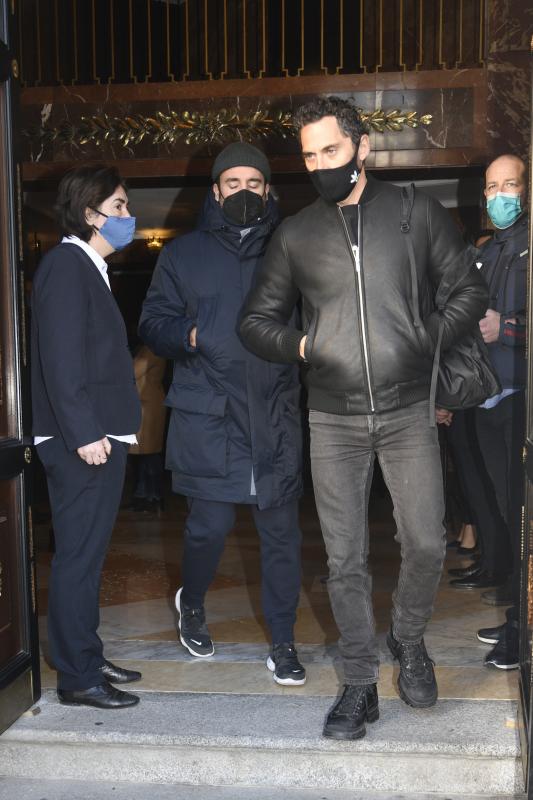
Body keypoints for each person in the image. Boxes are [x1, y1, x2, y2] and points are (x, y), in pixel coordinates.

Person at [240, 96, 488, 738]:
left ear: (363, 148)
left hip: (408, 412)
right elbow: (254, 322)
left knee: (428, 542)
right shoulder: (295, 234)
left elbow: (469, 289)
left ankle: (408, 640)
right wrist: (303, 345)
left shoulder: (416, 214)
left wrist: (426, 334)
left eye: (332, 151)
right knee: (344, 559)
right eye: (310, 155)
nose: (321, 165)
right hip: (333, 419)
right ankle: (357, 683)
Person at [139, 143, 306, 686]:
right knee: (207, 528)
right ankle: (192, 604)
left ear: (267, 190)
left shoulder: (291, 247)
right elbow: (153, 323)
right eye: (231, 182)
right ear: (215, 191)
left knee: (280, 534)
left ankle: (283, 641)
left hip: (274, 414)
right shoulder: (183, 254)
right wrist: (190, 334)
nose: (242, 191)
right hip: (208, 414)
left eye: (252, 182)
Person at [31, 165, 142, 709]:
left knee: (89, 556)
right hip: (83, 440)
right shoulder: (65, 265)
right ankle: (76, 677)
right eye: (119, 207)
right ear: (89, 213)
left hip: (101, 434)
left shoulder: (88, 266)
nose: (128, 217)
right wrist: (83, 432)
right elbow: (60, 358)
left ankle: (86, 653)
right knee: (77, 557)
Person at [473, 154, 528, 669]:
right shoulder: (491, 251)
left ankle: (524, 629)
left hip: (522, 401)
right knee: (509, 514)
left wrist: (506, 329)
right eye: (492, 187)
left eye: (510, 184)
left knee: (524, 516)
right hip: (490, 399)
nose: (500, 196)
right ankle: (519, 614)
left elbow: (505, 322)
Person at [129, 344, 167, 512]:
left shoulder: (151, 349)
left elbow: (133, 371)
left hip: (147, 406)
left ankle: (152, 497)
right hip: (146, 404)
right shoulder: (149, 348)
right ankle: (144, 495)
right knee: (145, 455)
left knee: (149, 455)